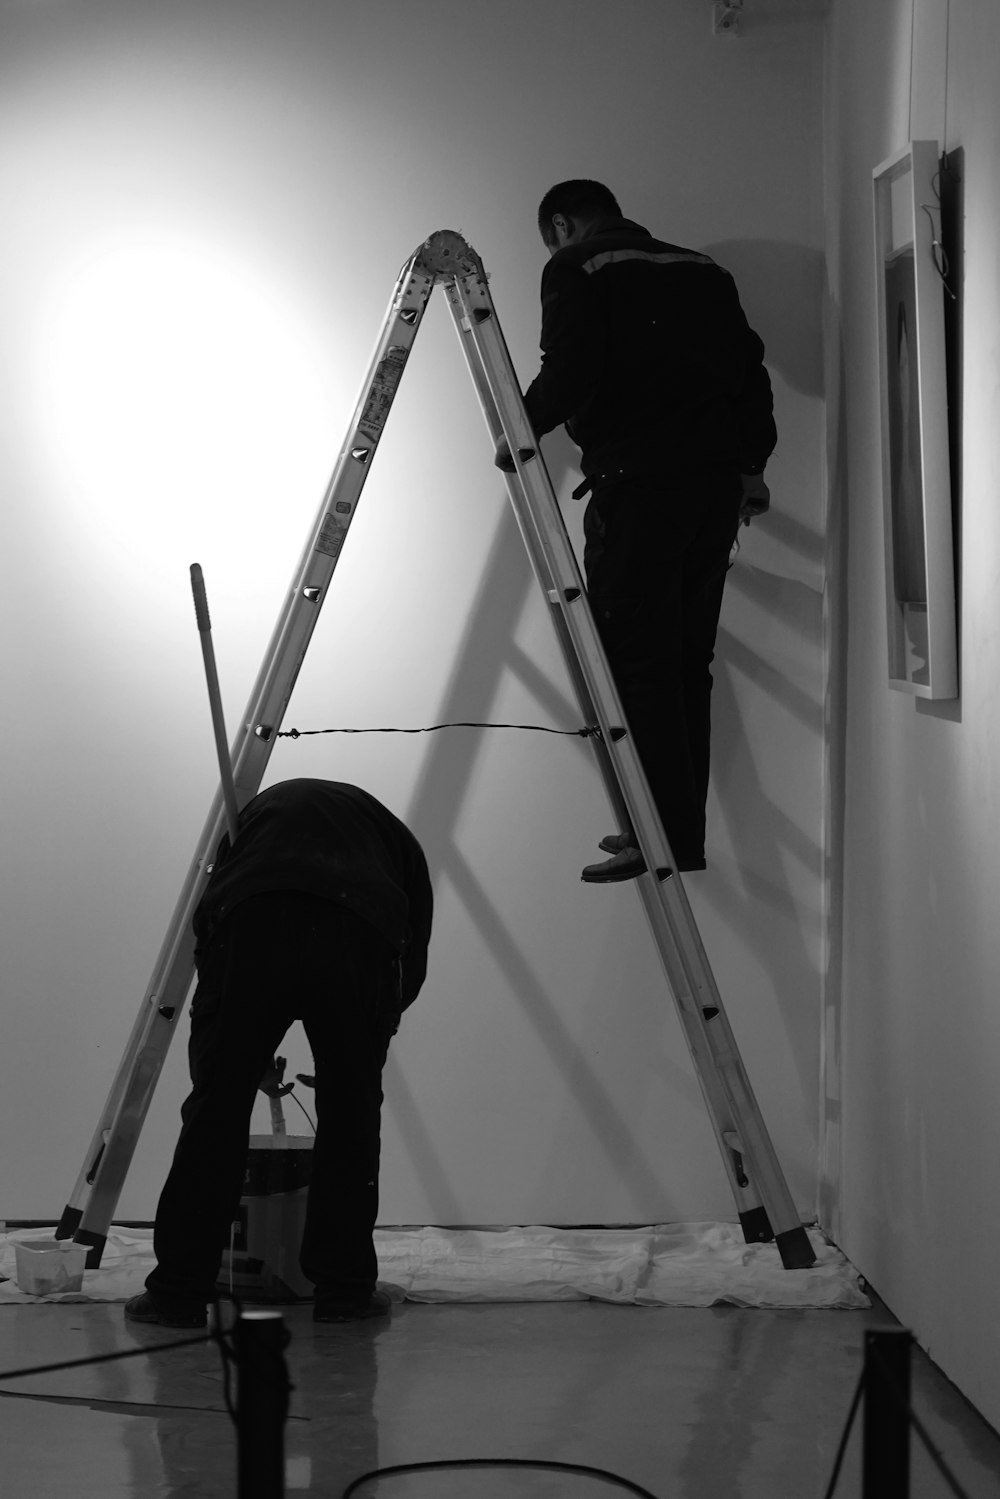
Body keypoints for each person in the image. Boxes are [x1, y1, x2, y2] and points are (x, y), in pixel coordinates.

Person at [497, 179, 776, 882]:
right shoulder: (702, 270)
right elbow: (751, 376)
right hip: (712, 492)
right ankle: (679, 837)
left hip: (639, 489)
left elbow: (569, 370)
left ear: (563, 224)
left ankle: (660, 836)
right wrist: (750, 464)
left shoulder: (576, 267)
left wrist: (515, 430)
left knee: (636, 663)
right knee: (687, 665)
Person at [124, 778, 433, 1327]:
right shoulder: (397, 842)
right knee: (350, 1117)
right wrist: (366, 1045)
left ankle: (177, 1294)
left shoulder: (252, 826)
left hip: (252, 919)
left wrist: (233, 1048)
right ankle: (343, 1293)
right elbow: (411, 949)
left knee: (215, 1112)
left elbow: (209, 919)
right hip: (358, 928)